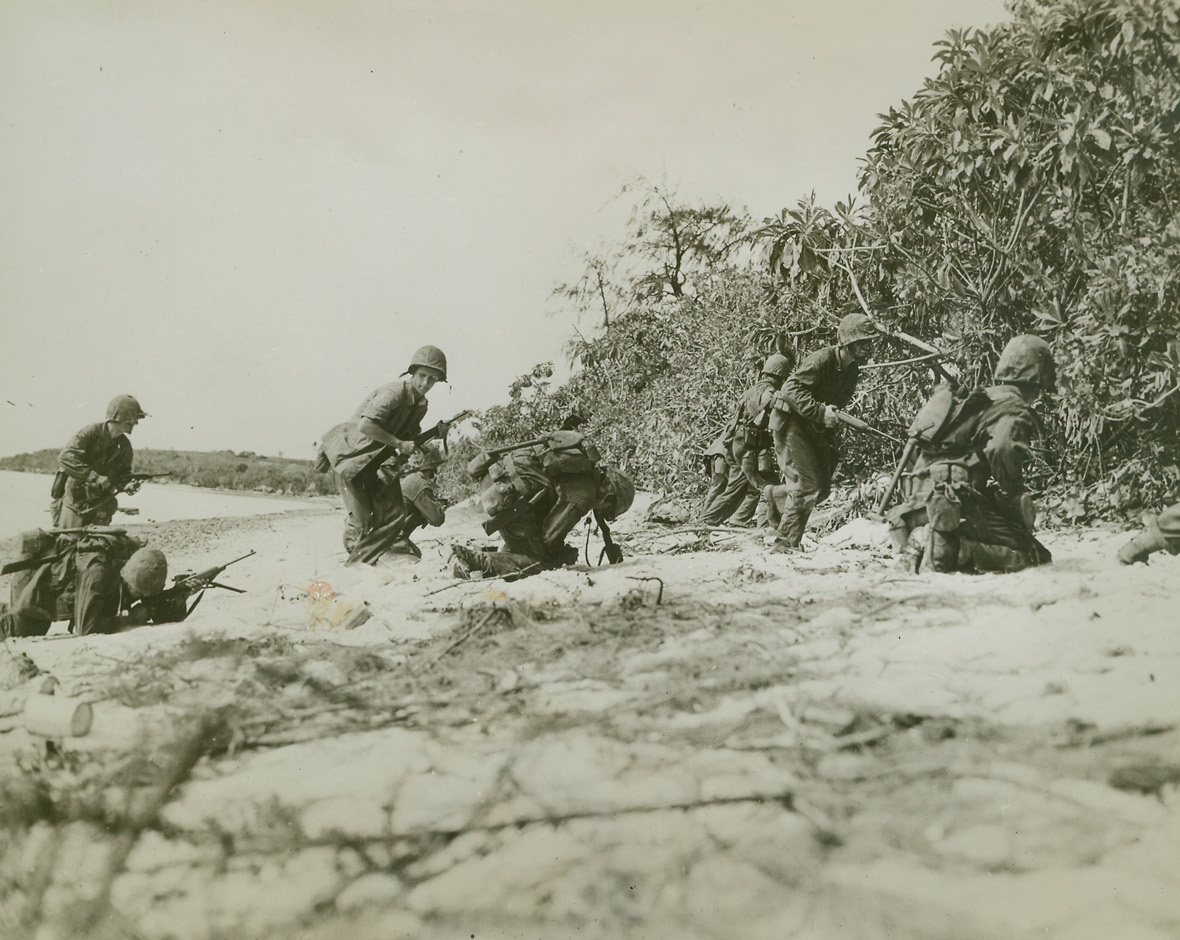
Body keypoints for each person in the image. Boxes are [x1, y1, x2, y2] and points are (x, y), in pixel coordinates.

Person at [886, 334, 1055, 573]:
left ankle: (923, 542)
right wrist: (1012, 493)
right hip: (951, 505)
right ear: (1040, 377)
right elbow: (1002, 448)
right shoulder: (1013, 407)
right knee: (1035, 556)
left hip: (914, 506)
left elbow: (916, 450)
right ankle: (948, 547)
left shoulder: (975, 399)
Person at [452, 430, 635, 581]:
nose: (603, 513)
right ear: (609, 495)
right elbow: (549, 536)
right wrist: (558, 553)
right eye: (609, 511)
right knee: (543, 563)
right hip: (507, 500)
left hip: (495, 483)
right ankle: (474, 560)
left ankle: (505, 554)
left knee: (532, 548)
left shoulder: (582, 466)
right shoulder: (584, 495)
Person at [318, 346, 448, 553]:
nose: (425, 383)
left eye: (432, 379)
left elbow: (410, 438)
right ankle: (357, 563)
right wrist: (398, 444)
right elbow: (365, 426)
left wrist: (435, 433)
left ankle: (370, 558)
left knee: (394, 514)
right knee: (360, 520)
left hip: (373, 463)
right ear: (412, 372)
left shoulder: (421, 405)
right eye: (422, 376)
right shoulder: (393, 393)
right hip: (351, 459)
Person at [767, 313, 877, 550]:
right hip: (792, 425)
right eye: (862, 342)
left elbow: (835, 403)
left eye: (870, 341)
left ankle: (776, 496)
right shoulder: (821, 359)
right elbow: (790, 390)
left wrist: (828, 417)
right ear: (847, 342)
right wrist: (819, 412)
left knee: (823, 489)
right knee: (807, 486)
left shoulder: (852, 370)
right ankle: (784, 544)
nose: (868, 347)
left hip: (814, 428)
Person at [1, 528, 179, 638]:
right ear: (125, 577)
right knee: (20, 630)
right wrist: (130, 618)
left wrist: (181, 596)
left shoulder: (137, 561)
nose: (135, 598)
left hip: (60, 581)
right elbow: (86, 628)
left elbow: (152, 604)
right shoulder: (97, 572)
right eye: (136, 594)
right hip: (35, 583)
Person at [701, 354, 793, 527]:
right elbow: (770, 407)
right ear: (781, 376)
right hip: (748, 445)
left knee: (750, 487)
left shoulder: (751, 390)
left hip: (740, 443)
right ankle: (709, 521)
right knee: (762, 487)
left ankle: (742, 522)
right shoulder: (768, 391)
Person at [52, 395, 148, 529]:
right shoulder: (90, 432)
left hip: (101, 503)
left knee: (98, 543)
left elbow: (123, 473)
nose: (136, 423)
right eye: (135, 419)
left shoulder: (124, 445)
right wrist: (95, 477)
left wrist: (126, 485)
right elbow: (65, 457)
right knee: (68, 541)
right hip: (75, 499)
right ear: (125, 418)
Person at [348, 443, 450, 564]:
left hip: (385, 538)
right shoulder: (419, 483)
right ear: (431, 469)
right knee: (414, 560)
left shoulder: (411, 479)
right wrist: (441, 507)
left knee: (416, 553)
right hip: (391, 540)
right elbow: (436, 519)